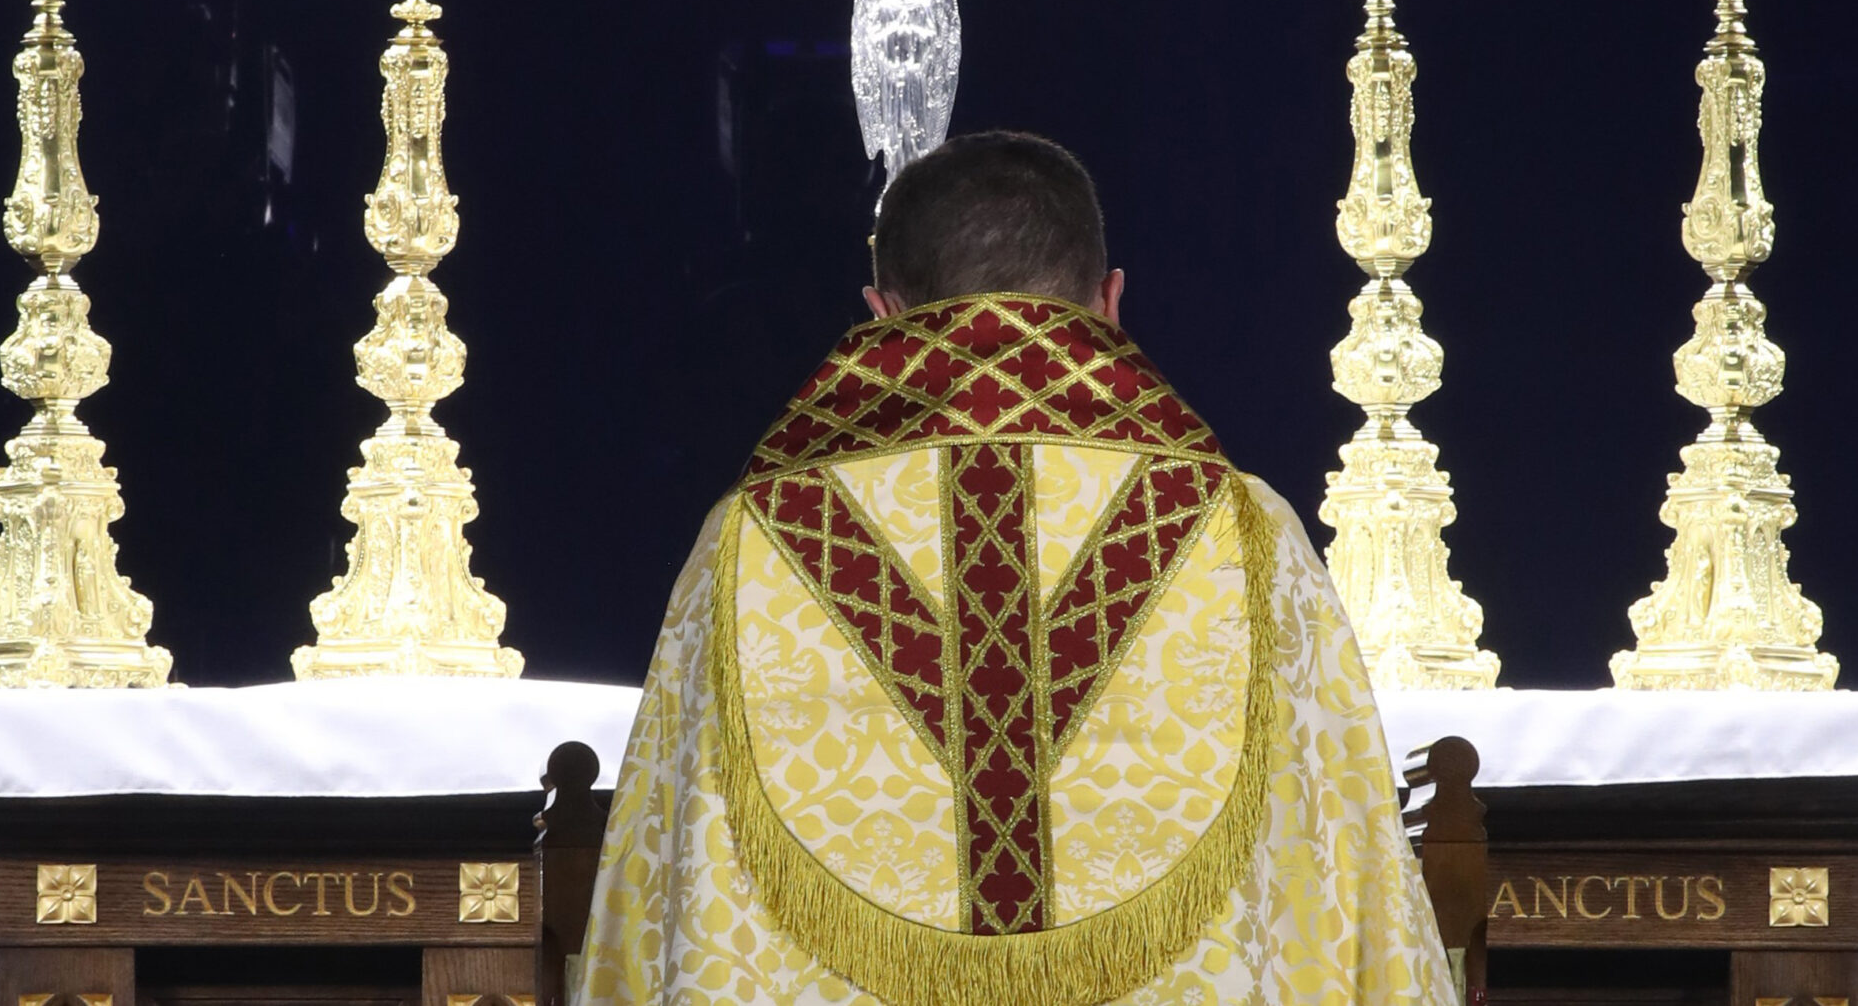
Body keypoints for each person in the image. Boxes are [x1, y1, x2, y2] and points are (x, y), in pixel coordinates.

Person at [578, 131, 1456, 1006]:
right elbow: (1353, 873)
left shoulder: (749, 538)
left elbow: (655, 884)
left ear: (879, 315)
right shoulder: (1246, 527)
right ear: (1110, 303)